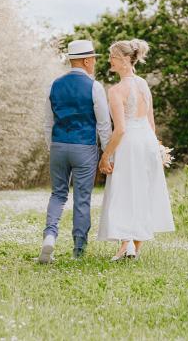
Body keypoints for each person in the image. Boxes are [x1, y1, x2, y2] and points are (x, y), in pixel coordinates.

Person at [97, 39, 175, 261]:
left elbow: (120, 129)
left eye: (112, 56)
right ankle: (134, 246)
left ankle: (125, 244)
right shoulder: (143, 84)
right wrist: (158, 148)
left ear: (122, 60)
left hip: (130, 143)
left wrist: (105, 156)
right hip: (148, 141)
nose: (109, 60)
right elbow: (151, 122)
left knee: (124, 191)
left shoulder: (116, 90)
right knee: (143, 190)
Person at [39, 40, 112, 263]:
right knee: (82, 199)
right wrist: (108, 153)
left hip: (59, 146)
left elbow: (47, 123)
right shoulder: (94, 86)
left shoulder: (54, 85)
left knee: (58, 194)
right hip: (84, 148)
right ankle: (79, 250)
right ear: (87, 60)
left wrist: (54, 147)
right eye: (94, 59)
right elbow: (103, 125)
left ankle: (50, 235)